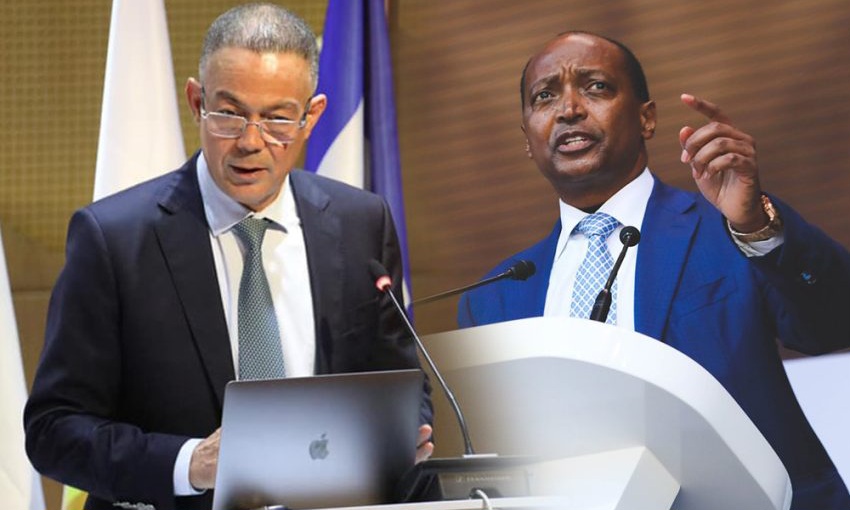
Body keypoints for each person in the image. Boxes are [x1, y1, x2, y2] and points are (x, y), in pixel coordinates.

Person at [24, 4, 433, 510]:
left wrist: (404, 433)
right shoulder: (113, 240)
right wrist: (189, 464)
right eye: (229, 114)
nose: (250, 142)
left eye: (277, 118)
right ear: (197, 102)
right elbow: (53, 430)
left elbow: (402, 383)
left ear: (311, 117)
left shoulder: (360, 224)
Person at [458, 31, 850, 509]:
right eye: (545, 96)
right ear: (527, 138)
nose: (569, 109)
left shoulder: (733, 227)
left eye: (596, 87)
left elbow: (832, 325)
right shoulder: (492, 300)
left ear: (647, 118)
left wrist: (755, 227)